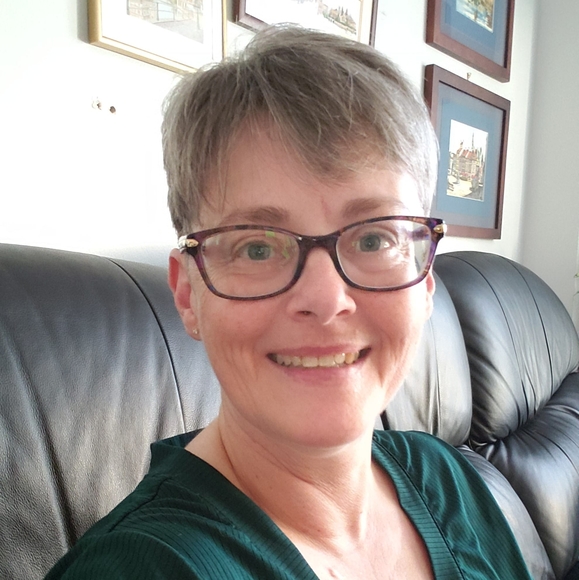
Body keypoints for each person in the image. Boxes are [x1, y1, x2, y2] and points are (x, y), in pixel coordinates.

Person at [45, 25, 531, 579]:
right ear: (187, 293)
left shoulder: (446, 479)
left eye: (374, 239)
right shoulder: (145, 569)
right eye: (256, 247)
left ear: (425, 284)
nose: (325, 300)